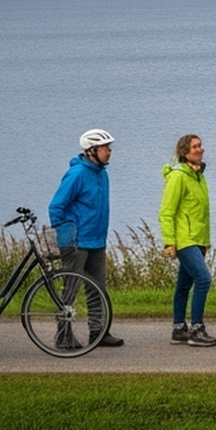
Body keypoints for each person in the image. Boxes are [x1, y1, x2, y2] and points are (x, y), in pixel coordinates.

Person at [48, 128, 124, 348]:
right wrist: (67, 236)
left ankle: (98, 333)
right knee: (70, 291)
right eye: (105, 148)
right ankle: (63, 336)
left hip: (97, 241)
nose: (109, 151)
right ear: (92, 150)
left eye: (110, 147)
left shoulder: (102, 174)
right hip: (77, 243)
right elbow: (56, 207)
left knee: (98, 288)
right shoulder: (77, 174)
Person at [160, 133, 216, 347]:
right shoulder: (178, 176)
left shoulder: (198, 176)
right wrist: (169, 242)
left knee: (184, 285)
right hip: (184, 240)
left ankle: (178, 329)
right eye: (195, 146)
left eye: (201, 145)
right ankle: (197, 329)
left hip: (198, 239)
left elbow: (201, 213)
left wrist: (206, 240)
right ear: (184, 152)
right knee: (204, 279)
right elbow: (166, 212)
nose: (200, 149)